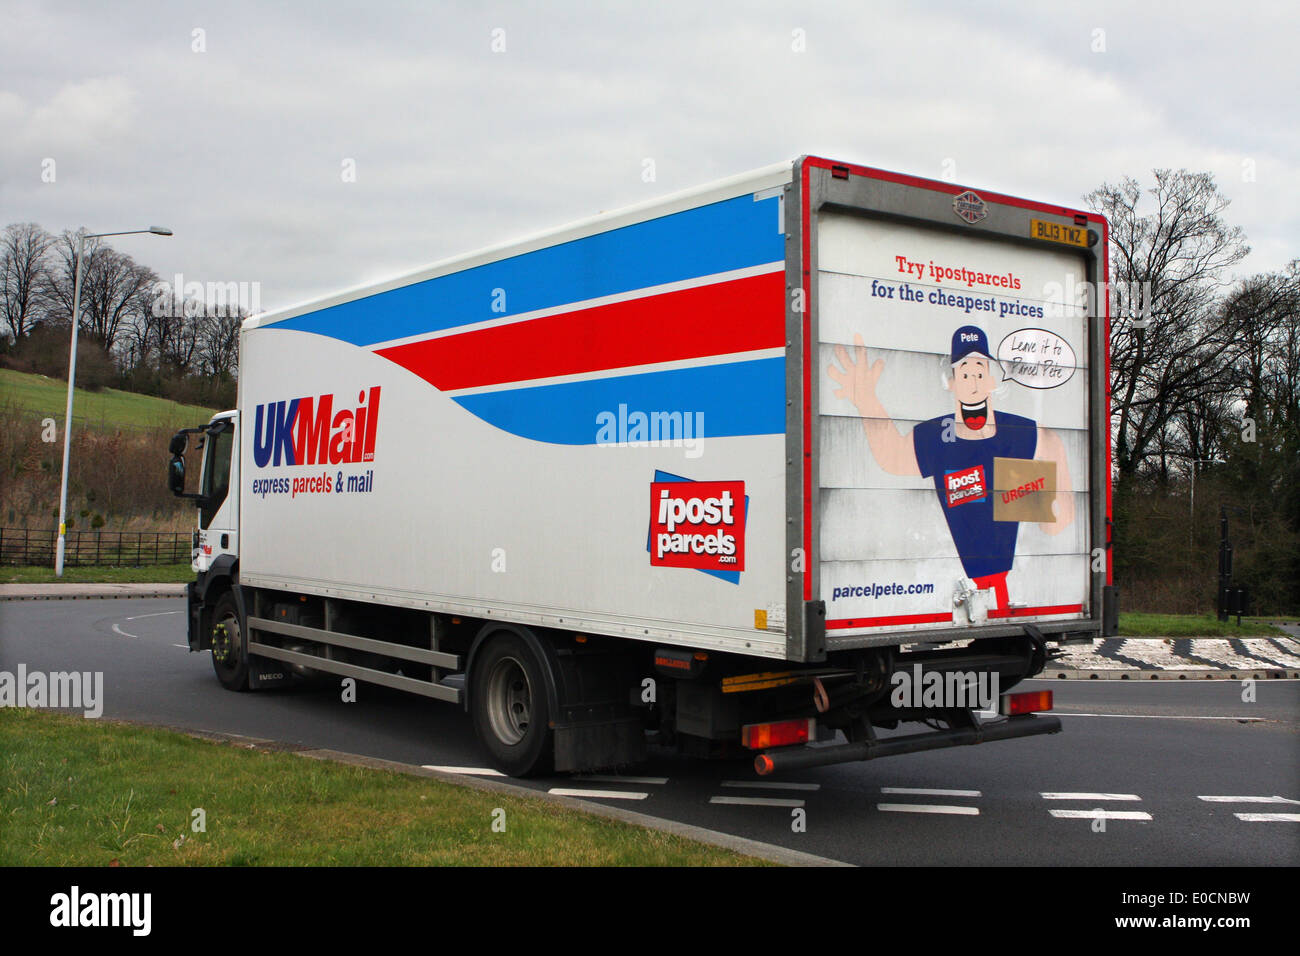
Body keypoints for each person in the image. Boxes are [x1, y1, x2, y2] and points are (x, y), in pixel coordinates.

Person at [827, 324, 1073, 609]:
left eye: (981, 372)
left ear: (993, 380)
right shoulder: (939, 435)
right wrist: (866, 401)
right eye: (965, 373)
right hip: (968, 582)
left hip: (1009, 583)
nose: (974, 381)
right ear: (951, 382)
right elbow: (892, 455)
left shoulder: (1017, 432)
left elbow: (1051, 448)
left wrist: (1048, 502)